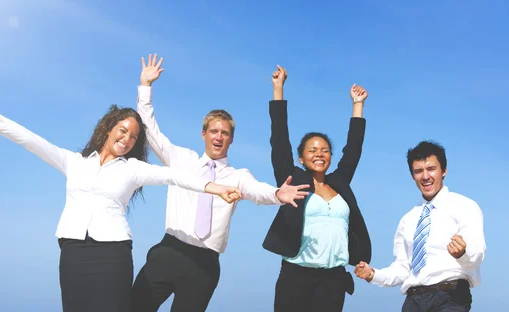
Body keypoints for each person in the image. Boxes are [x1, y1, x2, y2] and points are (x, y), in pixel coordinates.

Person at [0, 91, 243, 312]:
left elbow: (177, 177)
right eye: (123, 130)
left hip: (113, 255)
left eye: (134, 136)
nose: (127, 139)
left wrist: (212, 187)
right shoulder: (73, 162)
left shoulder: (132, 169)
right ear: (109, 128)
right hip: (73, 251)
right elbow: (30, 140)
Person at [130, 55, 311, 312]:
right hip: (168, 252)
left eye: (224, 133)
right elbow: (149, 130)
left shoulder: (238, 175)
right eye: (214, 131)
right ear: (203, 134)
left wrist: (277, 194)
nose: (218, 137)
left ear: (231, 140)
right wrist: (145, 86)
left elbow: (256, 190)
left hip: (204, 264)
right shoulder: (181, 158)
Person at [261, 65, 372, 312]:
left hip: (333, 280)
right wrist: (278, 89)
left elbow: (353, 150)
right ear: (301, 158)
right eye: (312, 150)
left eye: (324, 150)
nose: (319, 154)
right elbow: (279, 140)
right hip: (295, 276)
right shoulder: (293, 180)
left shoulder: (340, 181)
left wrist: (357, 105)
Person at [354, 140, 486, 312]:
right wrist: (373, 274)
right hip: (413, 301)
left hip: (451, 296)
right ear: (412, 176)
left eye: (431, 169)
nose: (425, 176)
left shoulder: (465, 206)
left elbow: (477, 256)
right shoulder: (407, 220)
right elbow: (402, 268)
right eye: (418, 171)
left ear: (444, 171)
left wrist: (462, 253)